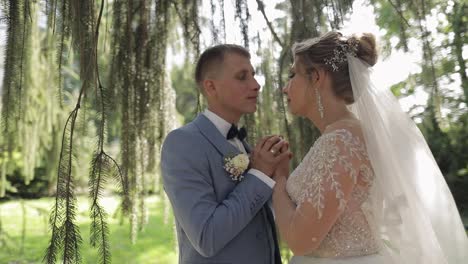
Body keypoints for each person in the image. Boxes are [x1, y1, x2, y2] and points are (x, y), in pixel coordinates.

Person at [266, 32, 468, 263]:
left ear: (317, 77)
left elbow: (300, 241)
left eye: (293, 74)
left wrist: (279, 179)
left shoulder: (340, 142)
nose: (285, 88)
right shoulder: (346, 135)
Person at [161, 44, 289, 263]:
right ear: (211, 87)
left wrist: (279, 178)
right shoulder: (182, 144)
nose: (256, 85)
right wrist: (259, 175)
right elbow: (206, 237)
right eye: (242, 77)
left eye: (253, 75)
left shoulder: (245, 145)